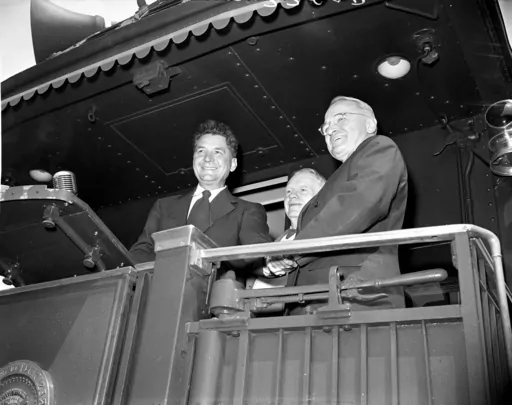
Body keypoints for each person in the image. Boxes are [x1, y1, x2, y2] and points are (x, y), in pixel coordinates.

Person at [266, 96, 408, 311]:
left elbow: (358, 205)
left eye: (341, 119)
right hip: (320, 302)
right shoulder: (338, 179)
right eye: (326, 126)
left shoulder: (379, 148)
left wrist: (292, 251)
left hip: (353, 298)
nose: (331, 129)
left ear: (370, 124)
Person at [130, 120, 273, 276]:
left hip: (213, 296)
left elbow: (257, 252)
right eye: (201, 151)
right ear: (193, 160)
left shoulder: (248, 210)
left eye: (218, 152)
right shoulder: (163, 206)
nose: (207, 158)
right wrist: (171, 265)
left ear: (232, 164)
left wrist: (273, 259)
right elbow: (139, 253)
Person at [247, 168, 326, 289]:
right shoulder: (278, 240)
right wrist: (268, 266)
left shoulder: (326, 234)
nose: (292, 195)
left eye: (303, 190)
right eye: (288, 191)